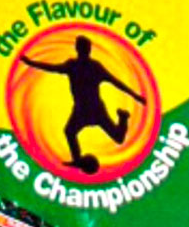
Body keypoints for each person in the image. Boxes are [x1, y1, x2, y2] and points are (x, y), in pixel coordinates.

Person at [22, 35, 147, 172]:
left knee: (117, 138)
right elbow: (52, 68)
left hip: (95, 109)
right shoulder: (73, 65)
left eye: (82, 47)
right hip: (81, 110)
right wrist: (30, 62)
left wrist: (136, 96)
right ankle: (77, 161)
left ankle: (123, 118)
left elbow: (115, 82)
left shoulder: (93, 67)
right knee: (70, 131)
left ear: (83, 49)